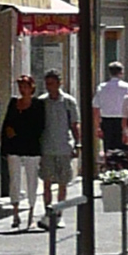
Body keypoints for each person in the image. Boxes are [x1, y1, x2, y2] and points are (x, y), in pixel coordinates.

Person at [0, 72, 45, 227]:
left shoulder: (38, 104)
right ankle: (16, 213)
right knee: (14, 180)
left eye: (26, 86)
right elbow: (6, 125)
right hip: (14, 147)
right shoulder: (13, 103)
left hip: (32, 148)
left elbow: (39, 127)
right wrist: (4, 146)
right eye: (20, 86)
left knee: (32, 180)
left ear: (31, 88)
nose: (23, 89)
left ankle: (31, 210)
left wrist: (18, 131)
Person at [39, 71, 78, 215]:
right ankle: (48, 212)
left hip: (63, 146)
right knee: (46, 182)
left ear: (59, 84)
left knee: (63, 183)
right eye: (47, 84)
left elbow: (74, 124)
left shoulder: (68, 102)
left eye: (51, 84)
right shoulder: (42, 102)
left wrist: (77, 144)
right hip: (47, 147)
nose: (49, 87)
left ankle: (59, 212)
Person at [94, 58, 128, 164]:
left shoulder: (102, 87)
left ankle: (109, 170)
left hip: (107, 121)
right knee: (123, 149)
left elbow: (96, 108)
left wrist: (97, 127)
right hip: (123, 121)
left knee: (109, 149)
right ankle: (122, 170)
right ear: (121, 72)